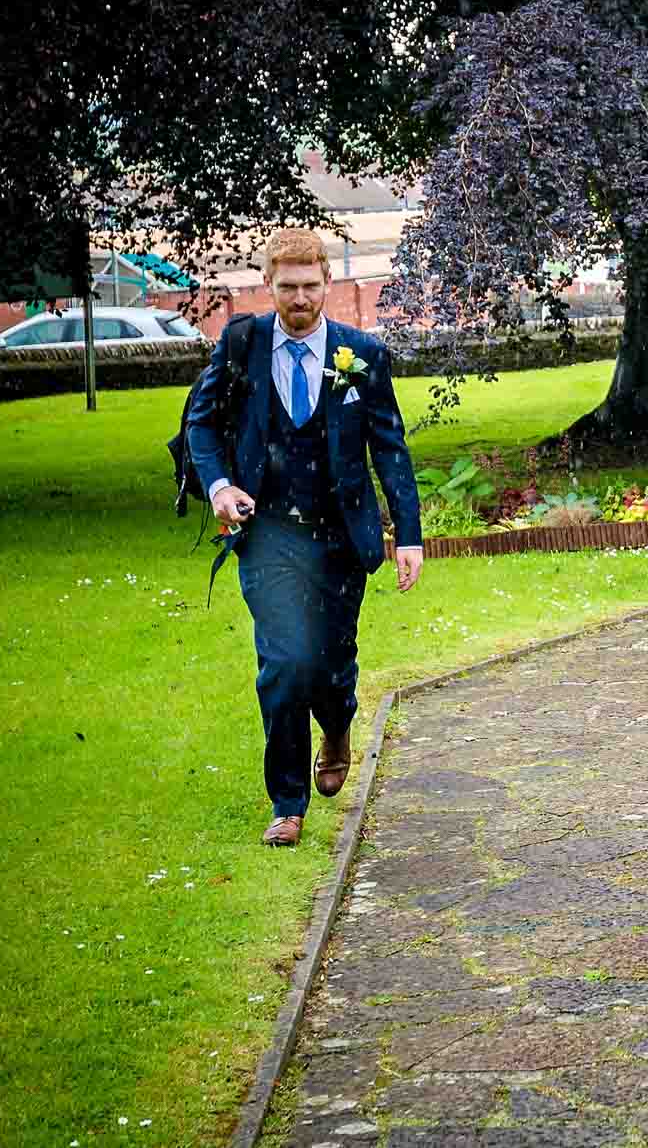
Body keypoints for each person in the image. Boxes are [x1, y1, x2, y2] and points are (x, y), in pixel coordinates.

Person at [187, 227, 424, 847]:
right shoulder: (241, 345)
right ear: (269, 286)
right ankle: (287, 803)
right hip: (267, 533)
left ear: (328, 284)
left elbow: (390, 449)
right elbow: (201, 424)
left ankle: (339, 722)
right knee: (285, 664)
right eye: (287, 287)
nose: (299, 298)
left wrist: (409, 536)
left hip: (341, 536)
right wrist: (217, 487)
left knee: (329, 663)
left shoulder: (361, 354)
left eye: (310, 286)